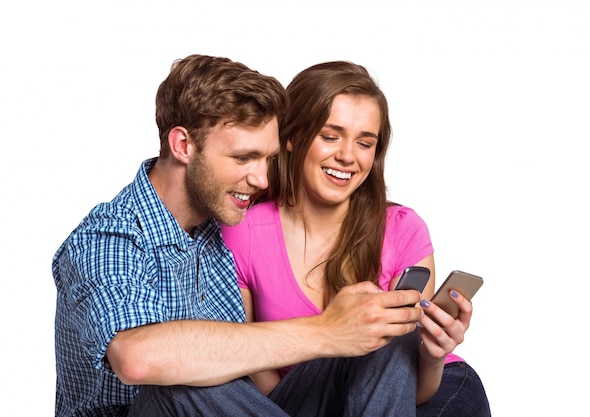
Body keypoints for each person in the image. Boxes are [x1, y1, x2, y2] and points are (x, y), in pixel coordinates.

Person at [52, 54, 431, 417]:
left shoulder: (220, 229)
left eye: (267, 160)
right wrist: (326, 330)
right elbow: (137, 360)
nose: (263, 180)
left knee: (384, 332)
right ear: (183, 145)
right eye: (242, 159)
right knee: (178, 375)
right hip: (156, 408)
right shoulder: (109, 237)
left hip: (244, 405)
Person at [221, 61, 491, 415]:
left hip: (425, 394)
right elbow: (257, 368)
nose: (347, 156)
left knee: (391, 332)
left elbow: (413, 390)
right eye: (330, 137)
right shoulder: (243, 232)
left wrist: (433, 355)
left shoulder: (403, 229)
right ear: (291, 137)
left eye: (365, 143)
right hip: (301, 396)